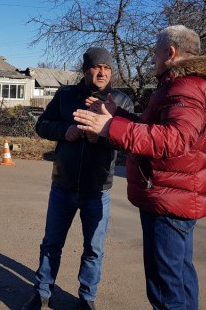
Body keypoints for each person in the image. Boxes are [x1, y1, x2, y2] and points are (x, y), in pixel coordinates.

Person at [73, 25, 206, 310]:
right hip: (175, 195)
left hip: (168, 200)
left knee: (165, 289)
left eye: (155, 53)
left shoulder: (187, 87)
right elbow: (157, 128)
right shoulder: (188, 84)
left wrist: (110, 127)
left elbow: (175, 139)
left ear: (170, 53)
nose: (153, 59)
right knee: (179, 278)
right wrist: (118, 115)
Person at [22, 47, 134, 310]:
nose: (102, 72)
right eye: (96, 67)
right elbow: (42, 126)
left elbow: (130, 140)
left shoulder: (120, 102)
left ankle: (87, 298)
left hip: (98, 189)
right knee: (51, 243)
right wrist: (66, 130)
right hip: (63, 184)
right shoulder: (65, 96)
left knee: (93, 249)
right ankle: (41, 293)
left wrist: (105, 137)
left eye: (107, 67)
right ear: (85, 70)